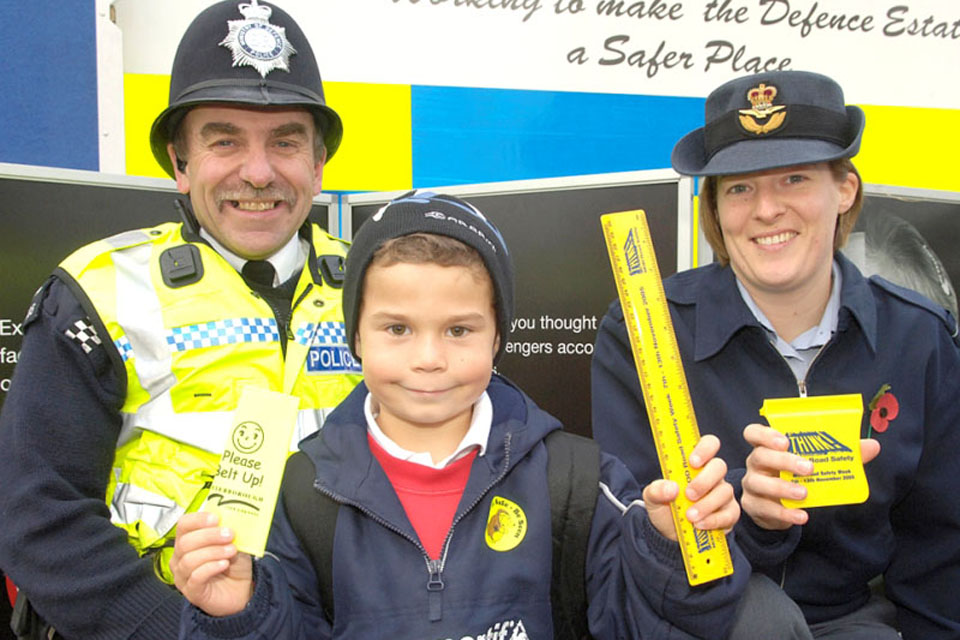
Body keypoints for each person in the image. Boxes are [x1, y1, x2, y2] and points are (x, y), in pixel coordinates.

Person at [170, 191, 750, 639]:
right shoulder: (298, 493)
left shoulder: (577, 479)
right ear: (355, 339)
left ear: (498, 336)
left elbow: (655, 624)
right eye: (397, 329)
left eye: (459, 330)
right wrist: (237, 615)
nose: (428, 359)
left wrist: (673, 550)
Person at [0, 2, 361, 638]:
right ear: (179, 161)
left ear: (318, 163)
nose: (258, 171)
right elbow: (40, 519)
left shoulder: (379, 285)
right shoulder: (97, 290)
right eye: (225, 141)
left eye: (286, 141)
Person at [591, 70, 960, 639]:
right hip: (699, 618)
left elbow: (939, 549)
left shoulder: (920, 336)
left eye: (794, 178)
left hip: (854, 619)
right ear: (712, 207)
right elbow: (632, 536)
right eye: (739, 187)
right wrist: (745, 503)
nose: (766, 209)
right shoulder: (644, 327)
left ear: (845, 190)